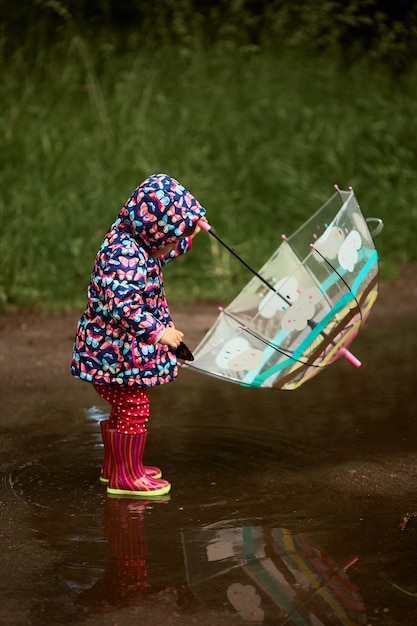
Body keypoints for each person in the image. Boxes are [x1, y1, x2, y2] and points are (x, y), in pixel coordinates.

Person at [71, 173, 206, 497]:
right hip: (110, 354)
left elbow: (161, 252)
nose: (172, 245)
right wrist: (159, 333)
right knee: (135, 408)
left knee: (125, 407)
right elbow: (123, 305)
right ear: (157, 228)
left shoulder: (135, 241)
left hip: (113, 354)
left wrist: (189, 234)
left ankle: (116, 467)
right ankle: (126, 476)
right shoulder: (124, 255)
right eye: (174, 236)